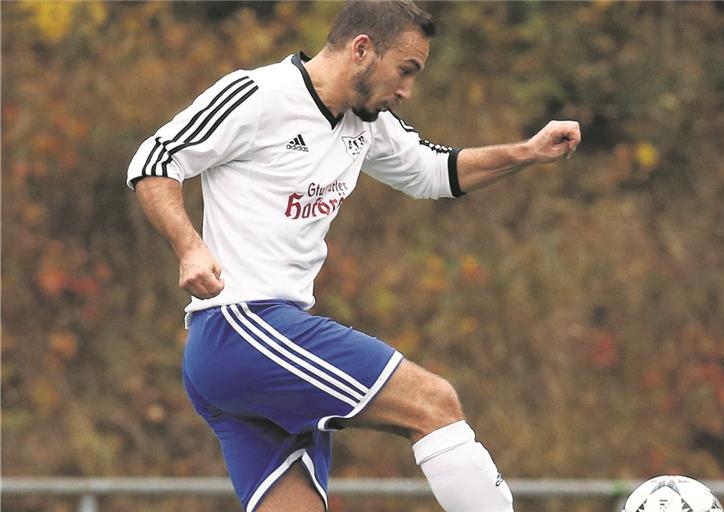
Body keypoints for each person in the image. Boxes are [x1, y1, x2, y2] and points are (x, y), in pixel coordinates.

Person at [126, 1, 580, 511]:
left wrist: (528, 152)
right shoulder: (258, 95)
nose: (407, 91)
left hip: (251, 353)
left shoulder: (367, 122)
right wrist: (189, 247)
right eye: (405, 70)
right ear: (362, 49)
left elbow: (436, 173)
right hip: (241, 327)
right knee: (433, 403)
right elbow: (155, 159)